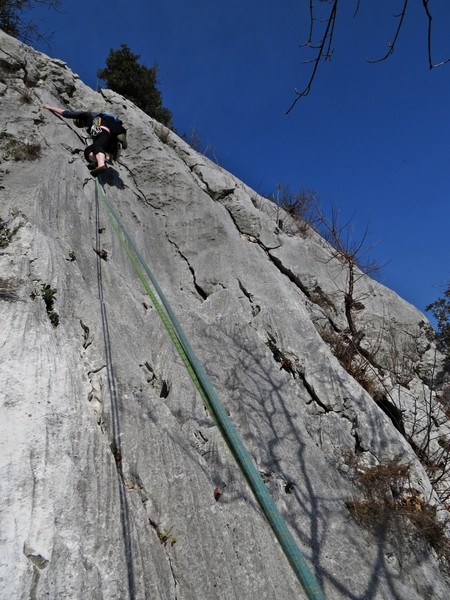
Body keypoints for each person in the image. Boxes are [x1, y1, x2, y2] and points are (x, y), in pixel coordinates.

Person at [42, 104, 126, 176]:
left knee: (98, 146)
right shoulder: (91, 125)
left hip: (104, 130)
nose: (82, 126)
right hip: (107, 140)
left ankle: (101, 165)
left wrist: (50, 107)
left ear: (80, 119)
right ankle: (100, 159)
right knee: (87, 151)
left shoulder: (87, 116)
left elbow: (66, 113)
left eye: (80, 124)